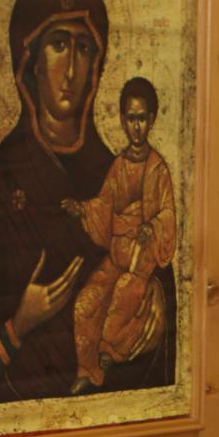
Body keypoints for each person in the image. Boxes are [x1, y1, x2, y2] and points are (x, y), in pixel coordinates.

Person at [0, 0, 174, 409]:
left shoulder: (121, 171)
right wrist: (19, 325)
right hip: (18, 432)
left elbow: (159, 284)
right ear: (30, 60)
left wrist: (157, 312)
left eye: (83, 48)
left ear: (96, 66)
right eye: (58, 44)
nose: (70, 68)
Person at [63, 77, 178, 392]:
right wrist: (82, 209)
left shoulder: (157, 169)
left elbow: (168, 214)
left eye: (142, 119)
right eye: (130, 119)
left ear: (151, 120)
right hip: (116, 258)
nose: (136, 127)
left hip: (140, 263)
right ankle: (85, 369)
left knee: (122, 295)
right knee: (85, 303)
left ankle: (105, 358)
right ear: (123, 121)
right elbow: (104, 205)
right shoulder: (118, 166)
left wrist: (152, 226)